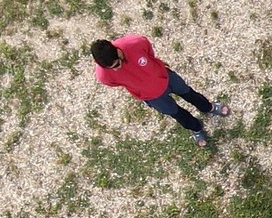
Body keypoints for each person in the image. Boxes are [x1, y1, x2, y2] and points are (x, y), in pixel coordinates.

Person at [90, 35, 228, 148]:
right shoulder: (103, 76)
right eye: (111, 68)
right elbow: (116, 83)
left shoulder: (135, 43)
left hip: (166, 77)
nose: (116, 70)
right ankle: (196, 128)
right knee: (176, 113)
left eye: (116, 64)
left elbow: (149, 52)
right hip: (151, 96)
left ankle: (208, 107)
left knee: (189, 93)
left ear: (117, 51)